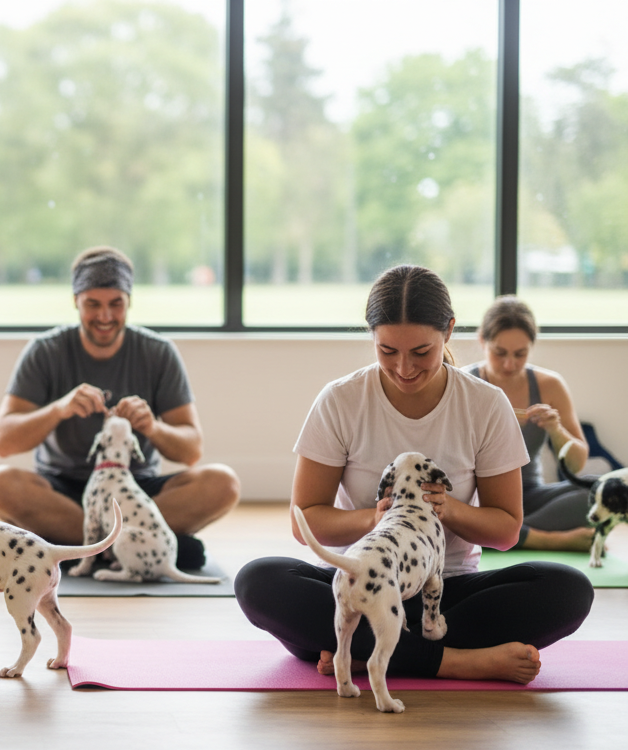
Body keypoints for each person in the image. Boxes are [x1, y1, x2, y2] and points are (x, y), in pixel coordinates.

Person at [235, 265, 593, 685]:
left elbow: (506, 531)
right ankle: (457, 662)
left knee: (569, 588)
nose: (404, 368)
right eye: (387, 351)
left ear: (450, 332)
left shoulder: (485, 403)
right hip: (363, 583)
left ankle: (363, 651)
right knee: (259, 581)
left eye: (421, 352)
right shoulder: (340, 400)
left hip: (442, 596)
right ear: (371, 337)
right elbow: (306, 520)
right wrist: (374, 518)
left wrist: (448, 508)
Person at [0, 246, 240, 568]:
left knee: (223, 483)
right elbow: (3, 442)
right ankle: (137, 548)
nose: (105, 317)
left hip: (136, 491)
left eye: (115, 304)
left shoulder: (158, 352)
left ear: (129, 302)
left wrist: (151, 427)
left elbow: (191, 451)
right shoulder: (45, 351)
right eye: (93, 305)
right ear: (76, 301)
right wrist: (58, 409)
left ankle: (78, 548)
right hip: (64, 491)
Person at [465, 296, 594, 551]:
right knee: (458, 513)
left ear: (531, 348)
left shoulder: (550, 385)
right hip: (480, 500)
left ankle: (504, 536)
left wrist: (556, 430)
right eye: (499, 353)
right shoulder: (465, 383)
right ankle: (545, 539)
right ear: (482, 341)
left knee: (596, 491)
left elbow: (577, 465)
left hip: (530, 495)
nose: (509, 364)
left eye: (520, 354)